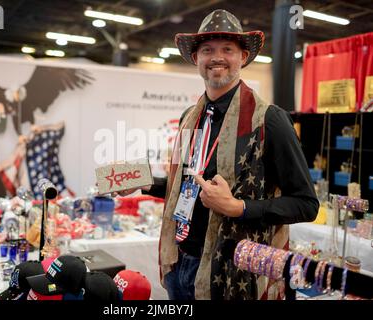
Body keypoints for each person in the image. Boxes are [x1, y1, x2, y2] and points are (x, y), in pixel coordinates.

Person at [114, 9, 318, 300]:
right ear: (197, 59)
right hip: (181, 263)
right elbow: (188, 187)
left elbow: (306, 204)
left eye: (227, 49)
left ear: (243, 57)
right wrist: (144, 183)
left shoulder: (269, 120)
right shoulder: (191, 116)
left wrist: (239, 207)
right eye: (207, 50)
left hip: (233, 276)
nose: (217, 57)